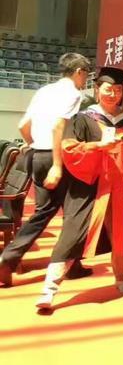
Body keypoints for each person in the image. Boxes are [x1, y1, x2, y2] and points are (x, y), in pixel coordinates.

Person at [35, 67, 123, 310]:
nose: (113, 94)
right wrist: (98, 146)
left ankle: (121, 279)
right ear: (97, 89)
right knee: (72, 235)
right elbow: (69, 148)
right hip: (90, 190)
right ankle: (49, 289)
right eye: (108, 89)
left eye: (118, 90)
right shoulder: (83, 118)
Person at [0, 52, 93, 287]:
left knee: (44, 212)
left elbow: (23, 125)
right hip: (57, 157)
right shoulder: (73, 93)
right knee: (74, 212)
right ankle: (65, 264)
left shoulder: (44, 91)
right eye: (86, 74)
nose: (86, 79)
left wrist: (33, 144)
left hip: (37, 155)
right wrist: (58, 166)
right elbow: (59, 127)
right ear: (79, 72)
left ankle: (13, 258)